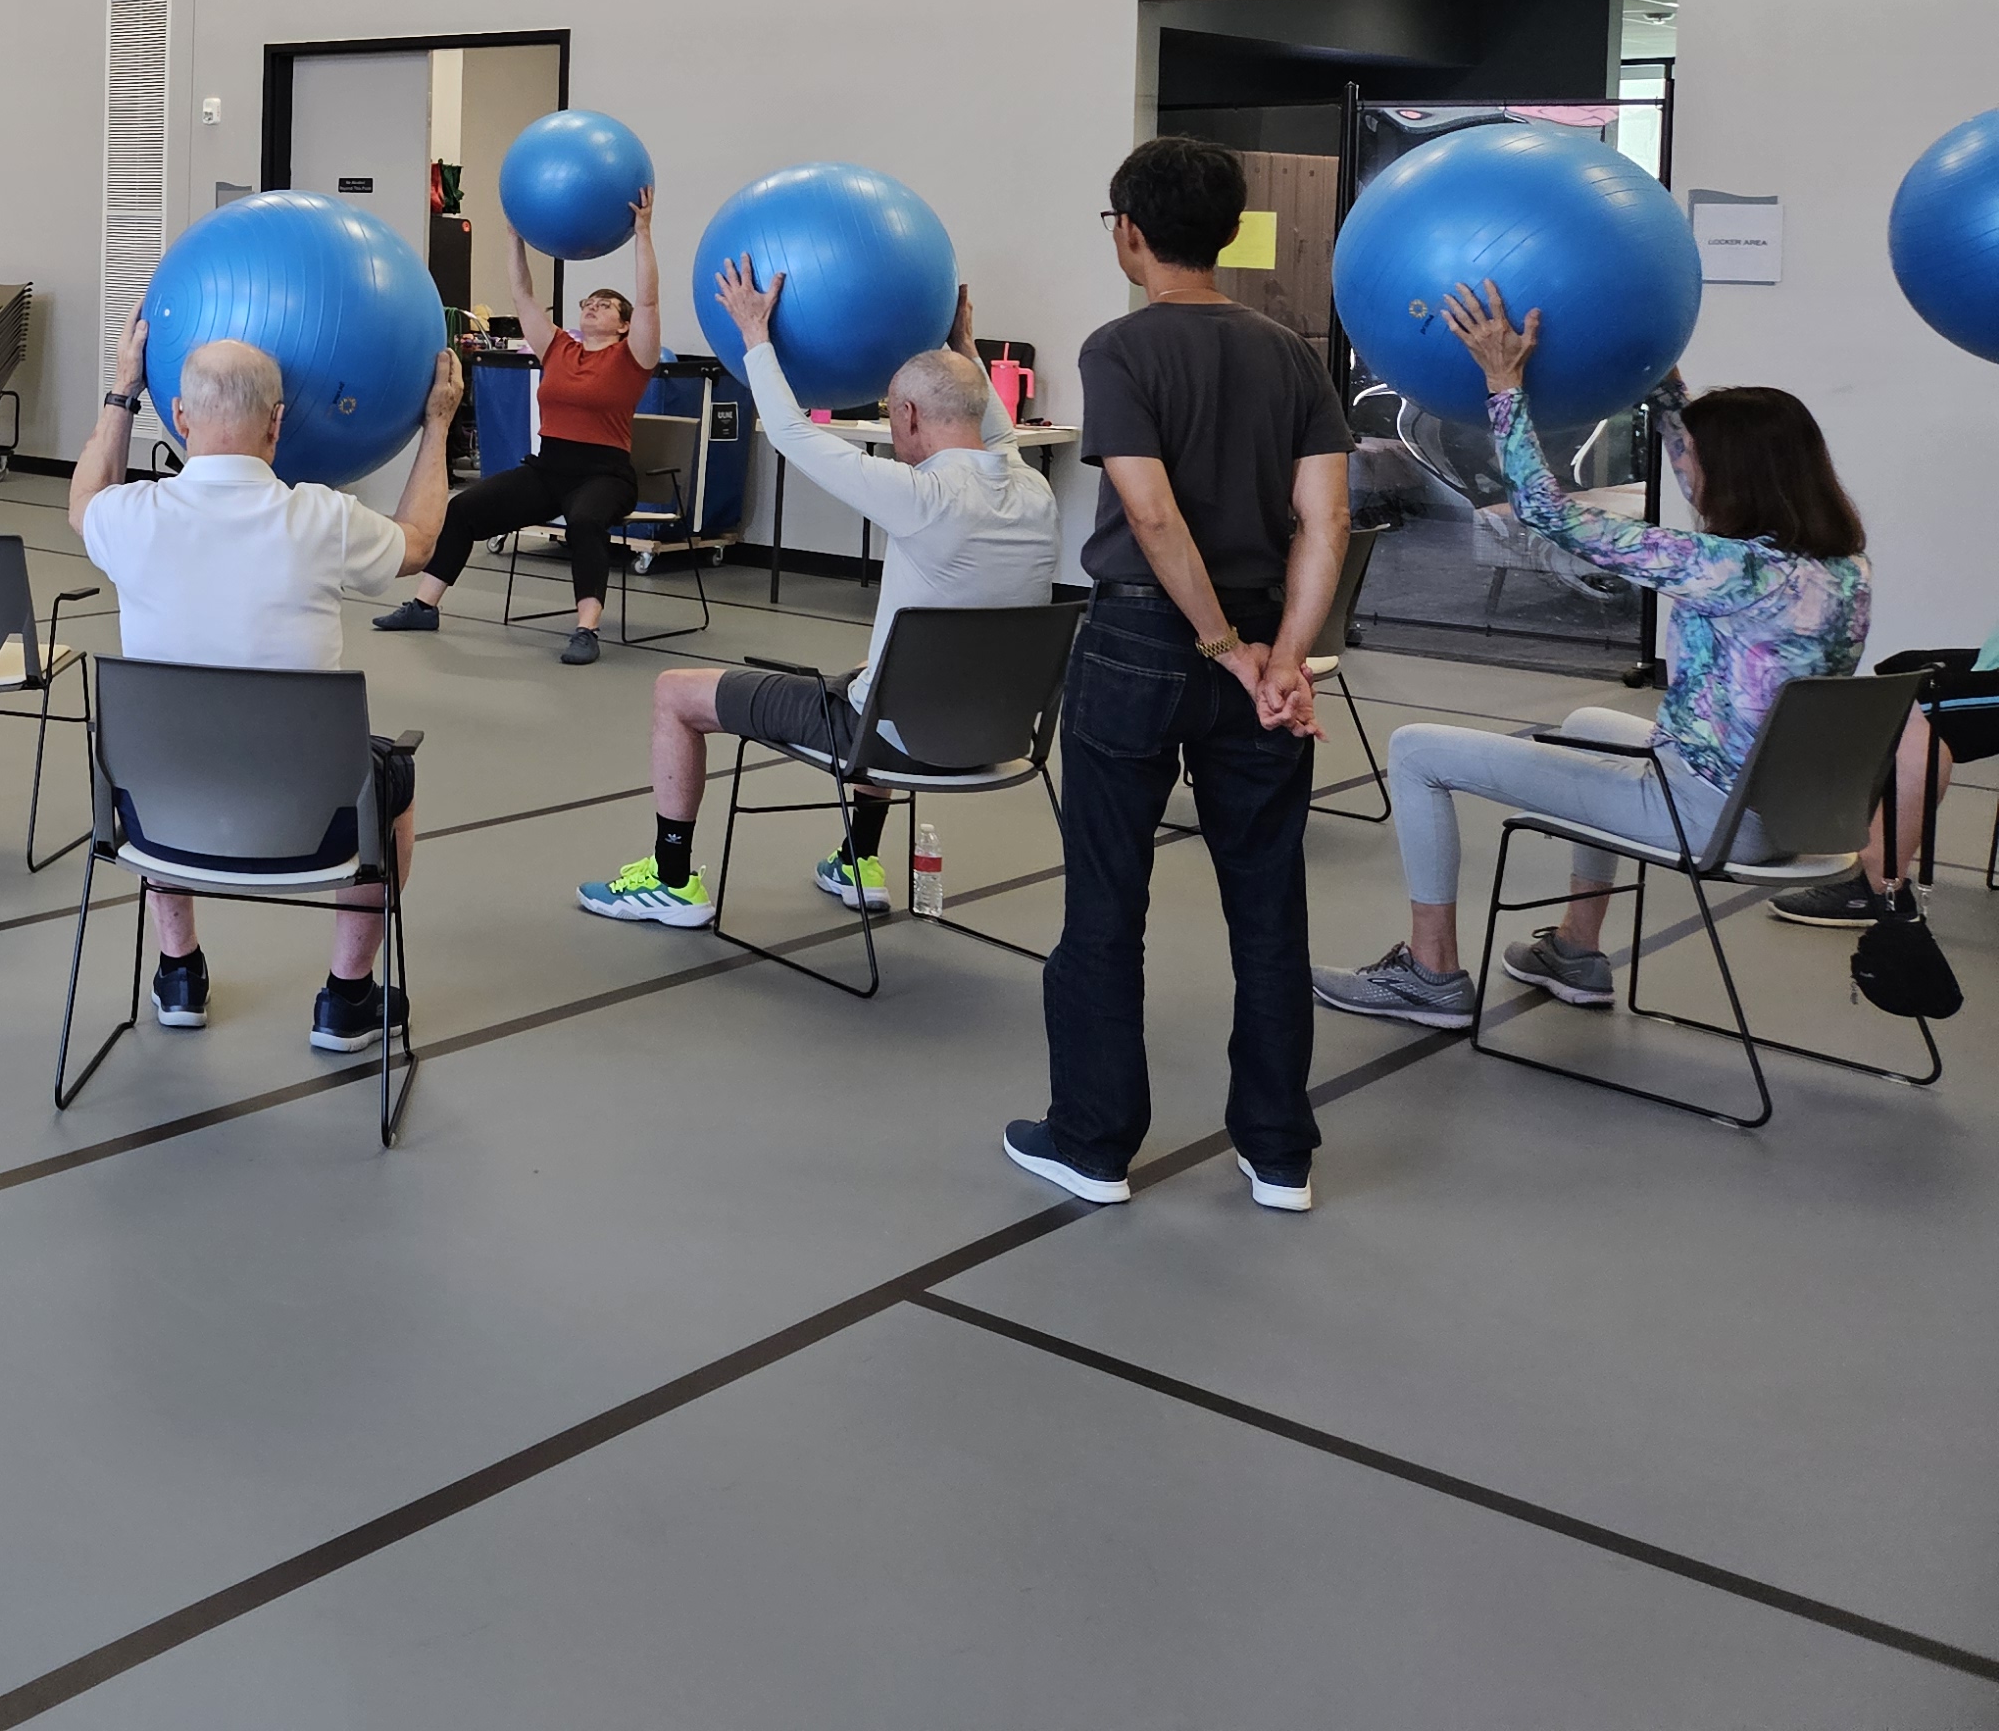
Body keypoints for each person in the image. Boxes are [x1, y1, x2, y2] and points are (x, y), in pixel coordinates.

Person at [1315, 297, 1890, 1020]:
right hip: (1788, 810)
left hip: (1706, 811)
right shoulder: (1841, 569)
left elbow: (1547, 512)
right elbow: (1701, 479)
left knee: (1417, 750)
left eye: (1701, 464)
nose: (1690, 475)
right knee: (1592, 718)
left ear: (1734, 477)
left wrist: (1504, 390)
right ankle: (1575, 949)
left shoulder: (1723, 568)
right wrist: (1657, 367)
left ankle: (1429, 972)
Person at [1011, 135, 1348, 1215]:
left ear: (1128, 232)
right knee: (1267, 901)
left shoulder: (1118, 350)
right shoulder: (1293, 352)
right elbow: (1325, 518)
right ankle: (1278, 1152)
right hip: (1260, 647)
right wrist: (1283, 657)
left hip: (1147, 644)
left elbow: (1148, 513)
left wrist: (1218, 644)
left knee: (1107, 898)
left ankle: (1093, 1140)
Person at [577, 269, 1053, 929]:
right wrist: (963, 343)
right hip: (996, 737)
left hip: (893, 739)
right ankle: (858, 859)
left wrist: (753, 334)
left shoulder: (920, 495)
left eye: (893, 412)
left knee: (675, 693)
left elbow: (794, 433)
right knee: (872, 673)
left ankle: (671, 879)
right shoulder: (1035, 492)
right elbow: (990, 427)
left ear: (908, 415)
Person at [71, 321, 463, 1053]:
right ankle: (348, 997)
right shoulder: (322, 518)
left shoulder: (126, 518)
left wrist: (123, 390)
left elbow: (83, 500)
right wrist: (436, 426)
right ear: (280, 421)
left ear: (181, 419)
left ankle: (178, 972)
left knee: (155, 752)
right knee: (392, 776)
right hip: (310, 821)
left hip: (162, 816)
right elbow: (419, 541)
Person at [373, 189, 662, 664]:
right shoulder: (558, 348)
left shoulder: (633, 357)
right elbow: (523, 294)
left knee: (586, 520)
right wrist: (513, 236)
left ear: (625, 325)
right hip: (548, 469)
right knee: (464, 509)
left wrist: (643, 234)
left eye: (605, 305)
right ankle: (424, 605)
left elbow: (649, 303)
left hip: (604, 475)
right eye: (588, 301)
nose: (591, 307)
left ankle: (586, 630)